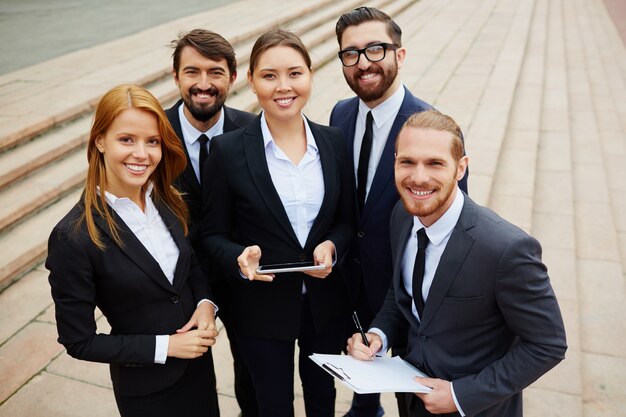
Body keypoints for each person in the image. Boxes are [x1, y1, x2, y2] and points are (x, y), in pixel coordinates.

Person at [347, 109, 567, 416]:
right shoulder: (401, 215)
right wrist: (378, 336)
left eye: (435, 163)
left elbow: (548, 344)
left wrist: (461, 395)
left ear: (460, 168)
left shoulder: (507, 249)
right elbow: (402, 298)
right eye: (407, 161)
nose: (418, 177)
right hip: (410, 400)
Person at [201, 29, 355, 417]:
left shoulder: (334, 141)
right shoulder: (227, 150)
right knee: (272, 405)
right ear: (251, 81)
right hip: (260, 308)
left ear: (310, 75)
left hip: (324, 306)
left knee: (323, 399)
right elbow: (212, 234)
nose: (283, 86)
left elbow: (347, 220)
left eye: (294, 73)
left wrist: (333, 245)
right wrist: (239, 256)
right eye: (269, 75)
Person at [46, 84, 220, 417]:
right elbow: (79, 341)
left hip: (198, 371)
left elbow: (190, 267)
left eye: (152, 141)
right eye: (127, 139)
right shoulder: (73, 236)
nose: (142, 154)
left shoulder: (167, 198)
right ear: (100, 141)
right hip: (147, 392)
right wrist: (166, 346)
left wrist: (205, 304)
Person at [330, 7, 468, 417]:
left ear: (400, 55)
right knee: (363, 387)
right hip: (351, 288)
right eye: (351, 54)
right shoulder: (340, 114)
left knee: (413, 404)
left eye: (376, 49)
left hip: (405, 299)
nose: (364, 63)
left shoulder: (433, 130)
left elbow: (453, 227)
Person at [165, 28, 257, 417]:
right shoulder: (153, 133)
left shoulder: (254, 130)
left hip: (242, 277)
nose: (204, 84)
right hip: (176, 283)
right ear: (176, 77)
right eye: (192, 72)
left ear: (232, 77)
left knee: (254, 378)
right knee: (185, 386)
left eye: (215, 72)